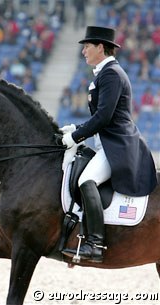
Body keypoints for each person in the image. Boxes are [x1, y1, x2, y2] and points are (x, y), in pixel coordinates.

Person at [61, 26, 158, 263]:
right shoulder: (104, 74)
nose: (83, 51)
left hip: (119, 145)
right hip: (108, 142)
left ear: (101, 47)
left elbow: (104, 117)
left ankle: (94, 242)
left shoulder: (112, 74)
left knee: (87, 180)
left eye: (87, 46)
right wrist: (76, 129)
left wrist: (76, 137)